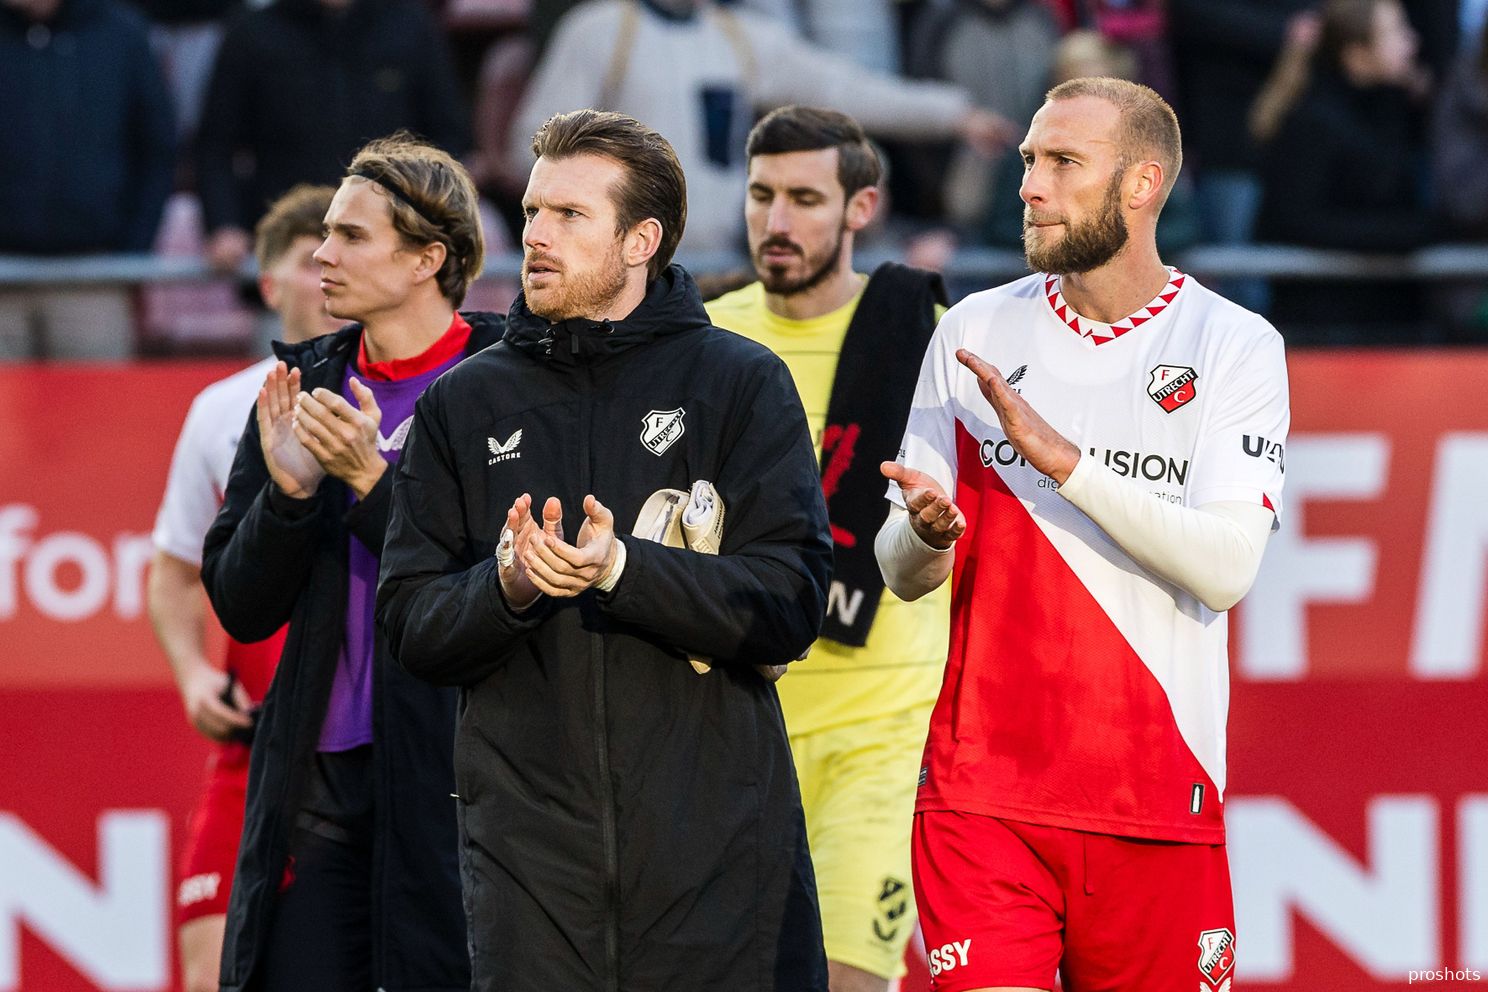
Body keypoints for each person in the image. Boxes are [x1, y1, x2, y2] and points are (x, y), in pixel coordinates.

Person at [377, 109, 833, 992]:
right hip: (529, 873)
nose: (535, 234)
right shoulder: (463, 404)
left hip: (721, 860)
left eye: (569, 215)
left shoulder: (739, 381)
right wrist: (506, 586)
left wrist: (624, 571)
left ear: (641, 240)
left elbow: (791, 600)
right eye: (534, 210)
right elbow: (410, 623)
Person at [875, 77, 1289, 992]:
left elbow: (1226, 568)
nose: (1029, 183)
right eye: (1029, 158)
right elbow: (900, 572)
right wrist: (928, 536)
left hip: (1157, 797)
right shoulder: (975, 329)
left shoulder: (1235, 344)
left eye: (1063, 162)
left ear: (1141, 185)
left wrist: (1066, 464)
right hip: (983, 796)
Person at [201, 134, 500, 992]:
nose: (321, 256)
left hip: (460, 776)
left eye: (351, 237)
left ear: (427, 260)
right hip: (324, 773)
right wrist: (290, 495)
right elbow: (241, 602)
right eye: (325, 234)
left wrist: (371, 483)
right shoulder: (304, 380)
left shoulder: (508, 383)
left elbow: (490, 580)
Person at [704, 106, 946, 992]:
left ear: (861, 207)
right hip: (729, 727)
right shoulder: (703, 339)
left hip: (880, 730)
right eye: (762, 194)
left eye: (806, 198)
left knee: (847, 979)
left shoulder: (926, 338)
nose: (776, 221)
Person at [148, 184, 341, 992]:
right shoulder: (221, 411)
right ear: (268, 285)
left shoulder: (421, 399)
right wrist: (194, 673)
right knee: (208, 971)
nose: (331, 272)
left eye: (346, 251)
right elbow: (174, 568)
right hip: (255, 748)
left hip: (363, 743)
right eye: (311, 259)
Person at [508, 0, 1018, 252]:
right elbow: (532, 148)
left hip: (724, 264)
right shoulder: (599, 30)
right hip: (622, 261)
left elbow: (844, 88)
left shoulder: (739, 38)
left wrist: (954, 114)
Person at [195, 0, 471, 272]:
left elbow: (448, 137)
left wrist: (428, 215)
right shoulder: (253, 33)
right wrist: (224, 225)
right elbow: (215, 146)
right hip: (290, 254)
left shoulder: (410, 27)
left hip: (393, 251)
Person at [0, 0, 175, 358]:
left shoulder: (121, 32)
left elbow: (156, 147)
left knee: (98, 412)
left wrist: (132, 252)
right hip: (3, 277)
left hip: (96, 276)